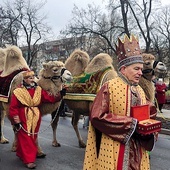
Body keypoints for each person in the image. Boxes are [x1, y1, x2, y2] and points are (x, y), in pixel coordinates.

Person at [83, 34, 156, 170]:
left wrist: (150, 127)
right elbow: (97, 116)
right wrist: (130, 124)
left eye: (141, 69)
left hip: (137, 148)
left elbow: (149, 112)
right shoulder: (109, 87)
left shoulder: (139, 89)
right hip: (114, 147)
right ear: (123, 69)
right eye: (136, 69)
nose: (140, 73)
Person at [9, 70, 65, 169]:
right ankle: (29, 160)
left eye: (33, 77)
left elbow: (49, 98)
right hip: (23, 116)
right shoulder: (18, 92)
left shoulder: (38, 90)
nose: (33, 79)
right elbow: (13, 107)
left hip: (35, 117)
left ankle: (22, 154)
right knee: (26, 137)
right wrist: (16, 121)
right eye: (30, 78)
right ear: (25, 80)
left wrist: (60, 95)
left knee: (33, 136)